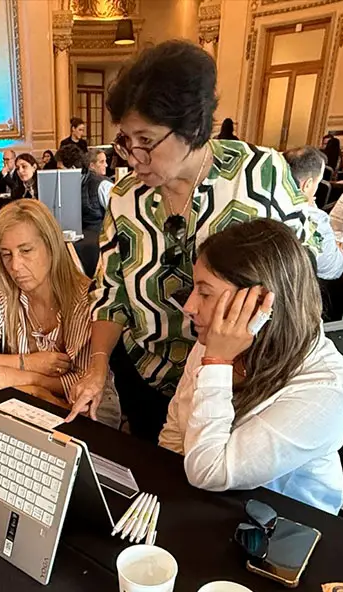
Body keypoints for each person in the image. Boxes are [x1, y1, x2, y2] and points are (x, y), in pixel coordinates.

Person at [66, 41, 313, 439]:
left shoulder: (257, 176)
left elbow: (297, 282)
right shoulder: (126, 196)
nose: (132, 157)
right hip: (148, 376)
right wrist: (96, 369)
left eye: (146, 140)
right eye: (125, 140)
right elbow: (111, 294)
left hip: (240, 387)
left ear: (192, 128)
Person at [159, 219, 343, 514]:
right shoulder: (219, 338)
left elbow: (210, 471)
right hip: (207, 499)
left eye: (205, 293)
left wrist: (217, 363)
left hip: (285, 521)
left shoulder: (329, 389)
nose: (188, 307)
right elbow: (175, 430)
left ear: (259, 302)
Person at [0, 200, 120, 426]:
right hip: (28, 402)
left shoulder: (87, 298)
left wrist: (23, 379)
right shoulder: (5, 294)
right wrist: (27, 362)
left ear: (52, 245)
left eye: (26, 251)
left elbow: (83, 383)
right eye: (6, 254)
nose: (15, 266)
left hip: (90, 412)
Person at [283, 146, 343, 279]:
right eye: (318, 182)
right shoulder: (314, 218)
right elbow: (333, 268)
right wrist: (339, 251)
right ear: (307, 184)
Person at [81, 147, 113, 231]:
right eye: (102, 162)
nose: (106, 165)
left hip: (85, 231)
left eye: (105, 161)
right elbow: (115, 210)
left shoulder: (82, 181)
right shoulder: (104, 184)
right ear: (92, 165)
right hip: (102, 231)